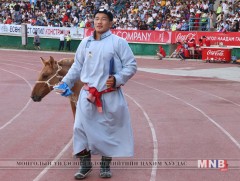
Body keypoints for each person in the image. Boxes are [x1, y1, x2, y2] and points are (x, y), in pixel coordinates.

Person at [53, 8, 137, 180]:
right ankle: (85, 164)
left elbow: (131, 66)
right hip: (87, 96)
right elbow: (77, 67)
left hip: (110, 96)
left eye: (104, 19)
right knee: (79, 129)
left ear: (111, 23)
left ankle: (105, 165)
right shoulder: (85, 43)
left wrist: (118, 78)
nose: (99, 22)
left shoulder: (119, 43)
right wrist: (65, 83)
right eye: (97, 18)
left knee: (109, 130)